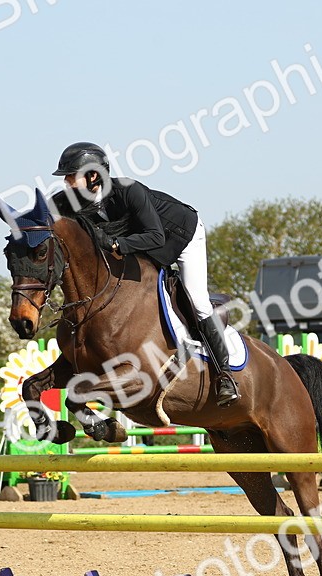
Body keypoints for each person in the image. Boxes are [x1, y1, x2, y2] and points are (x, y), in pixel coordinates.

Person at [51, 141, 240, 407]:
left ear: (93, 176)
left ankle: (225, 376)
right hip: (138, 244)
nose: (67, 183)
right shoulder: (68, 202)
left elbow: (155, 235)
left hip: (180, 236)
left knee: (197, 302)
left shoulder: (130, 191)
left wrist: (117, 245)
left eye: (72, 176)